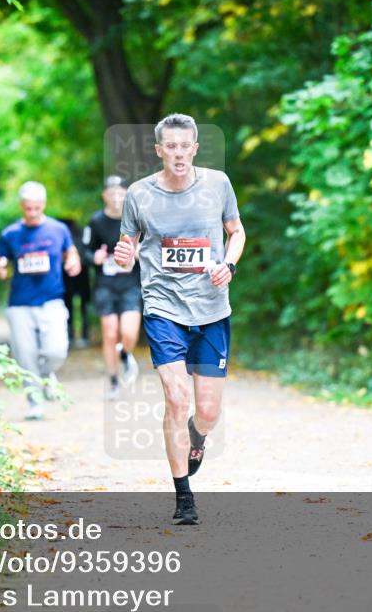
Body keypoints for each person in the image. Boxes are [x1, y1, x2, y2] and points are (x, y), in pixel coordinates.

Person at [113, 114, 246, 525]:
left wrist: (229, 263)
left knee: (206, 412)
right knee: (176, 397)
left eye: (184, 145)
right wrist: (124, 256)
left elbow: (236, 231)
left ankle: (197, 437)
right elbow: (128, 245)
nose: (178, 153)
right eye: (169, 146)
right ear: (159, 151)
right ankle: (183, 496)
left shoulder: (218, 184)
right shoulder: (139, 194)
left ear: (194, 148)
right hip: (163, 306)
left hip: (211, 308)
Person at [0, 181, 82, 420]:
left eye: (36, 208)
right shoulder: (10, 233)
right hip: (20, 303)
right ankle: (34, 403)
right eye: (28, 208)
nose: (32, 213)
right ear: (21, 206)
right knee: (25, 355)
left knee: (57, 351)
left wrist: (73, 261)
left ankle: (46, 375)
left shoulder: (58, 229)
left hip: (52, 300)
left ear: (43, 205)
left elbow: (70, 252)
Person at [82, 175, 142, 400]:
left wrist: (139, 252)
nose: (116, 197)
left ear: (127, 195)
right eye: (111, 192)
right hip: (105, 285)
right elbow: (84, 252)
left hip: (130, 284)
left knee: (128, 332)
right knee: (109, 333)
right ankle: (114, 382)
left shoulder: (137, 220)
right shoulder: (96, 221)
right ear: (104, 195)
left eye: (120, 192)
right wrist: (94, 257)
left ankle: (125, 355)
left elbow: (151, 248)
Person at [59, 217, 92, 349]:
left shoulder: (75, 236)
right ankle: (78, 335)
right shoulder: (81, 234)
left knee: (74, 307)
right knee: (78, 307)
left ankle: (75, 335)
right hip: (75, 277)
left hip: (76, 276)